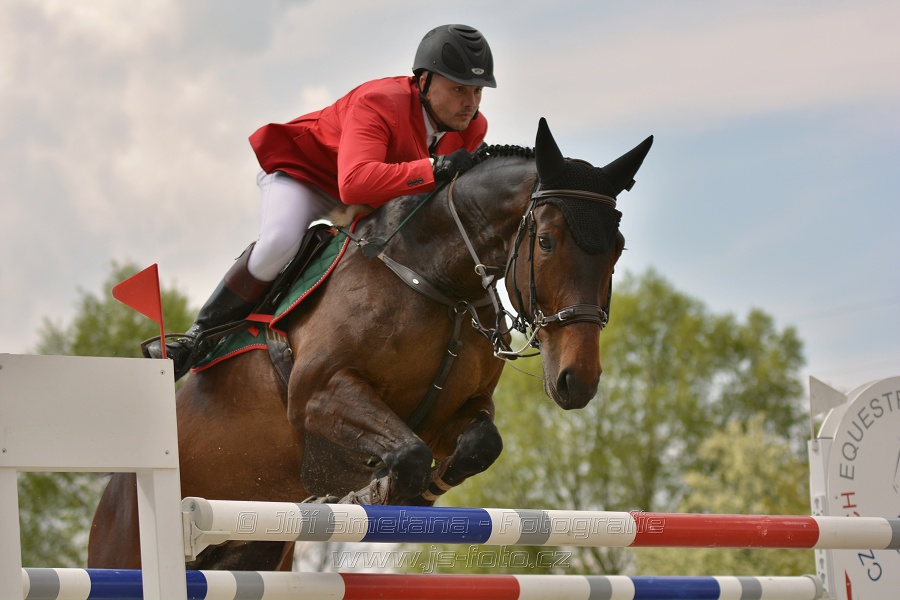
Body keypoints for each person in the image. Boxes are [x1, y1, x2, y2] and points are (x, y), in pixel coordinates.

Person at [146, 24, 496, 379]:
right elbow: (354, 183)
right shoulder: (379, 101)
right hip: (306, 176)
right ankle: (195, 339)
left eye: (477, 91)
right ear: (424, 82)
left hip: (374, 197)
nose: (470, 103)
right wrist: (433, 168)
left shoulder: (472, 127)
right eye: (458, 89)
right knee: (279, 242)